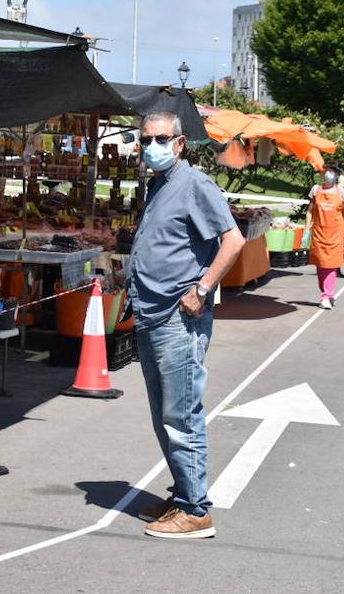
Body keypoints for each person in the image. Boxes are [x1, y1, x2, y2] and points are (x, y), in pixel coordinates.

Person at [127, 112, 244, 539]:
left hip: (179, 317)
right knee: (165, 414)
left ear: (179, 143)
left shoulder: (194, 183)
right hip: (152, 313)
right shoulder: (159, 185)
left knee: (181, 414)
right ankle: (183, 493)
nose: (151, 146)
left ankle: (196, 510)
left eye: (160, 138)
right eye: (145, 140)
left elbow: (233, 239)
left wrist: (203, 288)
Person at [307, 165, 344, 308]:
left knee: (330, 265)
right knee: (320, 265)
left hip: (336, 234)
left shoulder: (342, 193)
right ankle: (325, 292)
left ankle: (327, 295)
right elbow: (310, 212)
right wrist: (307, 230)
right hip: (319, 233)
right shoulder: (316, 190)